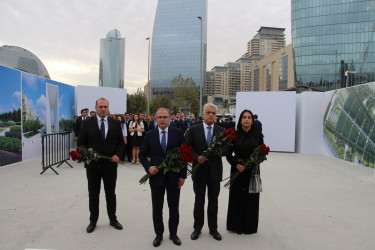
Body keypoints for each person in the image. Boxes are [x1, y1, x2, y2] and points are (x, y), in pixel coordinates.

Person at [139, 108, 186, 247]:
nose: (162, 119)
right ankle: (159, 234)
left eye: (165, 117)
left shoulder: (178, 133)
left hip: (174, 177)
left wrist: (182, 175)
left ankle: (173, 234)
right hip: (156, 177)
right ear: (155, 118)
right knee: (157, 208)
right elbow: (142, 155)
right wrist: (148, 167)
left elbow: (184, 155)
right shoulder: (149, 134)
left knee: (173, 207)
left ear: (170, 118)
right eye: (159, 117)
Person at [78, 98, 125, 233]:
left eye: (105, 107)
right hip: (93, 166)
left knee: (111, 194)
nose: (103, 109)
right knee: (93, 194)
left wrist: (118, 155)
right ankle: (93, 220)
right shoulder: (87, 123)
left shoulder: (115, 123)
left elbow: (121, 143)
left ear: (108, 107)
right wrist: (88, 155)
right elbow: (81, 144)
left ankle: (113, 219)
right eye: (100, 107)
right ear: (96, 107)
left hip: (110, 166)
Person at [187, 103, 225, 241]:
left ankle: (213, 229)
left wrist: (218, 151)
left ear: (216, 115)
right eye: (208, 112)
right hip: (199, 171)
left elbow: (227, 149)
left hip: (215, 172)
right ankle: (197, 228)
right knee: (199, 201)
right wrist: (197, 158)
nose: (211, 115)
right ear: (203, 114)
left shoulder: (221, 131)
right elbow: (187, 149)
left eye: (213, 113)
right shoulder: (193, 129)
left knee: (213, 201)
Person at [226, 109, 264, 234]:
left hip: (252, 170)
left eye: (249, 117)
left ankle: (249, 226)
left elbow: (262, 153)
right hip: (237, 169)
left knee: (252, 197)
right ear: (241, 120)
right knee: (236, 197)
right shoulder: (234, 134)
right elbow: (228, 154)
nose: (246, 119)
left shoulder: (258, 135)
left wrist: (253, 162)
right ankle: (235, 225)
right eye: (244, 117)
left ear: (252, 121)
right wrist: (236, 164)